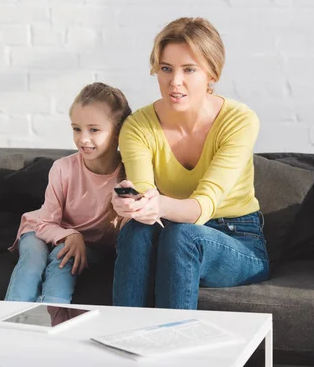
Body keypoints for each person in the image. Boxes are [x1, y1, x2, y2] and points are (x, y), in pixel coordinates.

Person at [111, 17, 269, 310]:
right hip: (171, 235)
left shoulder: (239, 121)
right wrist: (133, 204)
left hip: (237, 238)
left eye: (189, 70)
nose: (175, 82)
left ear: (212, 73)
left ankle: (174, 345)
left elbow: (204, 205)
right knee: (136, 229)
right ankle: (122, 340)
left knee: (183, 235)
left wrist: (155, 204)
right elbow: (146, 197)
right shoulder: (138, 127)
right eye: (166, 68)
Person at [5, 82, 131, 303]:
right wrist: (71, 235)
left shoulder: (130, 174)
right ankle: (9, 326)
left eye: (94, 130)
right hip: (42, 228)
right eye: (76, 129)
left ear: (118, 131)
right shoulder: (63, 168)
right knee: (33, 261)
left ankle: (52, 320)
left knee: (63, 258)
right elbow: (45, 224)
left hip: (86, 244)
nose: (83, 139)